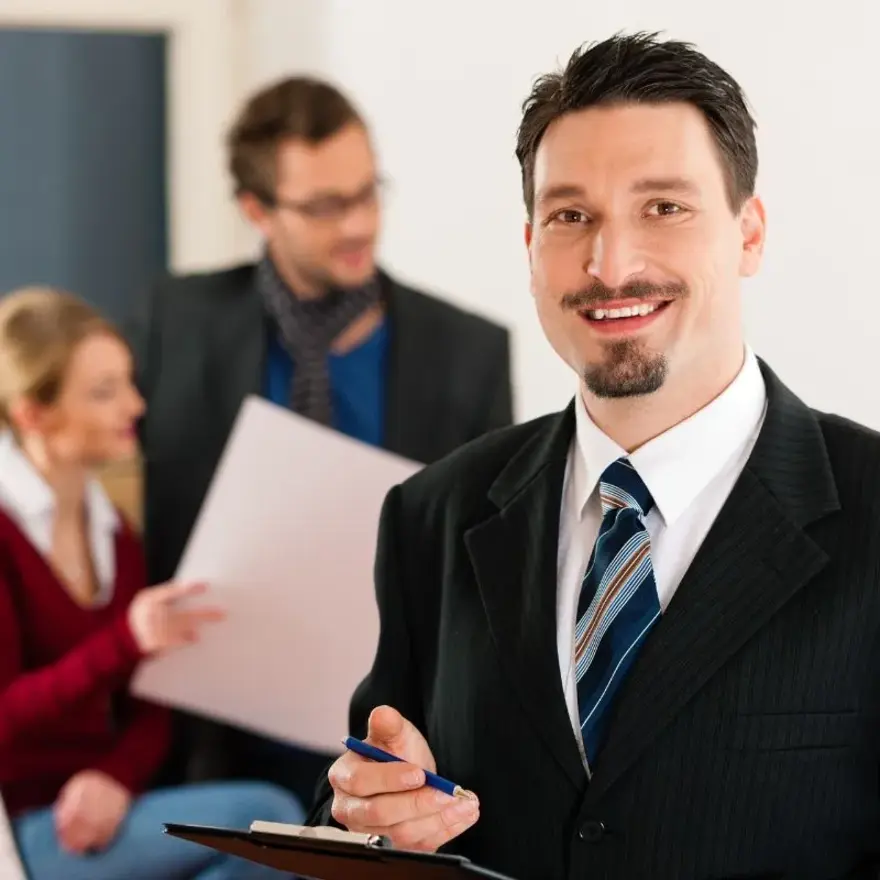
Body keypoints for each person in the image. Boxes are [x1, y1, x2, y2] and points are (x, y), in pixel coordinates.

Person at [312, 31, 880, 880]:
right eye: (572, 216)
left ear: (749, 233)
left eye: (664, 208)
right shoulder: (436, 514)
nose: (610, 265)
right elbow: (356, 815)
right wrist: (360, 820)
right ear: (532, 243)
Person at [125, 75, 514, 806]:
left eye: (368, 192)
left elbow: (492, 565)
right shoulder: (174, 323)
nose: (359, 224)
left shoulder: (467, 352)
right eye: (326, 206)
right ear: (256, 211)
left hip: (393, 735)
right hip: (205, 733)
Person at [0, 287, 305, 880]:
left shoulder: (113, 533)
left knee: (269, 843)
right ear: (33, 414)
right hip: (23, 826)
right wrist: (126, 641)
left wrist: (113, 779)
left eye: (129, 383)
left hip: (101, 809)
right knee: (267, 818)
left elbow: (151, 703)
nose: (135, 405)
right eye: (104, 391)